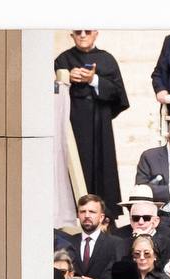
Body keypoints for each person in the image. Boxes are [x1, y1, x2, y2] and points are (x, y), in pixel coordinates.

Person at [55, 31, 129, 212]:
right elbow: (51, 93)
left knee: (102, 172)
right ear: (71, 35)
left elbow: (118, 95)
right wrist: (66, 79)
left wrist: (93, 80)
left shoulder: (107, 59)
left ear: (95, 34)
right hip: (73, 127)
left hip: (99, 127)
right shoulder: (63, 60)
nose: (82, 35)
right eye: (78, 32)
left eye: (87, 31)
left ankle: (104, 216)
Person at [70, 194, 126, 279]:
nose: (87, 215)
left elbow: (120, 278)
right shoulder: (69, 242)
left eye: (92, 212)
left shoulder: (116, 244)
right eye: (83, 211)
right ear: (78, 215)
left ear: (101, 217)